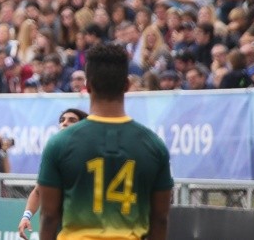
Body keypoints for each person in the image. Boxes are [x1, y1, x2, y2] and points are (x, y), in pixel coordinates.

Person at [37, 44, 173, 240]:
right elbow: (160, 218)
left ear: (88, 86)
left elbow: (49, 216)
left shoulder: (60, 143)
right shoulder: (153, 145)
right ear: (126, 85)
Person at [18, 107, 88, 240]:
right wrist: (26, 217)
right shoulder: (55, 153)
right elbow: (38, 191)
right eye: (62, 120)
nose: (65, 123)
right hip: (60, 229)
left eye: (72, 120)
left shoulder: (92, 154)